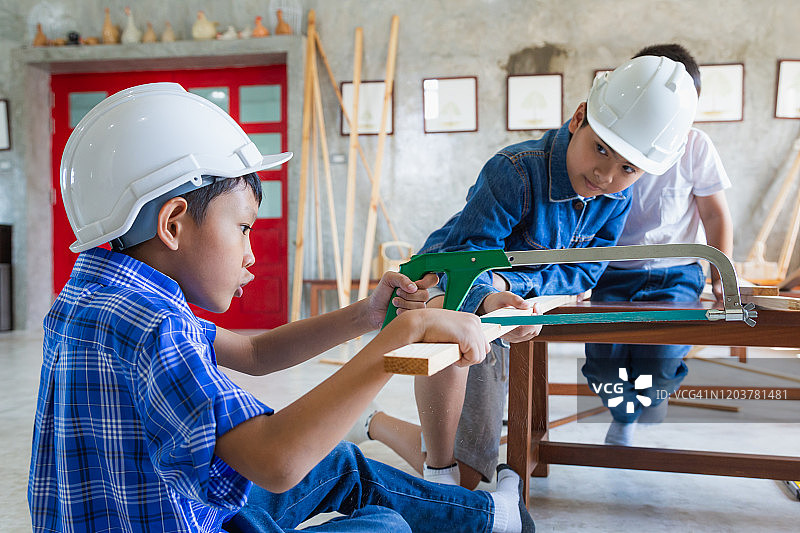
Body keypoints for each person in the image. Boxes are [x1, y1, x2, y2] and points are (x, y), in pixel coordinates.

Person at [28, 83, 535, 533]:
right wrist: (399, 338)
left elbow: (252, 352)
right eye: (244, 228)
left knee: (340, 466)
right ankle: (492, 519)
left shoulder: (97, 298)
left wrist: (367, 316)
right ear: (174, 223)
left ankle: (490, 519)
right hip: (176, 517)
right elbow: (277, 460)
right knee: (383, 524)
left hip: (163, 508)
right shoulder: (155, 324)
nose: (251, 254)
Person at [345, 55, 701, 488]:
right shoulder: (514, 170)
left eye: (628, 167)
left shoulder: (616, 198)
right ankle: (432, 471)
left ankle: (376, 425)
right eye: (601, 149)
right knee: (467, 476)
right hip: (453, 287)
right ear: (579, 118)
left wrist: (511, 286)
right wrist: (493, 293)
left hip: (509, 302)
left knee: (470, 473)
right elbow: (467, 256)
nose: (606, 175)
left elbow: (583, 276)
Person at [582, 44, 734, 446]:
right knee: (604, 361)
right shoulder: (608, 141)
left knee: (660, 356)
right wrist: (576, 275)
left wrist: (723, 276)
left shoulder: (696, 146)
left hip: (676, 272)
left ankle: (652, 395)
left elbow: (716, 214)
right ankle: (623, 412)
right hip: (611, 273)